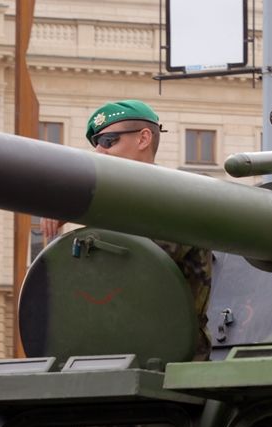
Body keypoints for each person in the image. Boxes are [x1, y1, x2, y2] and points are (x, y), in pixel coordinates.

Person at [40, 100, 213, 361]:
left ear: (143, 138)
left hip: (169, 360)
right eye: (95, 144)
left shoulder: (177, 200)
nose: (99, 151)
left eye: (109, 141)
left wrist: (86, 207)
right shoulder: (114, 206)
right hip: (106, 354)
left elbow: (135, 268)